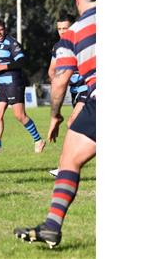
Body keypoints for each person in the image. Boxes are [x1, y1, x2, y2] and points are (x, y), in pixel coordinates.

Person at [13, 0, 96, 248]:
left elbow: (60, 81)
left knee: (68, 161)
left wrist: (55, 115)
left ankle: (53, 223)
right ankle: (51, 227)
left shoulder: (75, 32)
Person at [0, 19, 45, 155]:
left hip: (14, 82)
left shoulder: (12, 43)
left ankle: (38, 140)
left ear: (5, 29)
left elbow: (21, 61)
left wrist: (2, 67)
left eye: (1, 30)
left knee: (19, 115)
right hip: (1, 84)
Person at [47, 13, 88, 177]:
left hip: (89, 89)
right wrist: (56, 79)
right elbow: (52, 69)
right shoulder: (58, 47)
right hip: (75, 91)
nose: (62, 32)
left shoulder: (84, 43)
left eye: (66, 28)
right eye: (59, 29)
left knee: (72, 123)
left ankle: (64, 168)